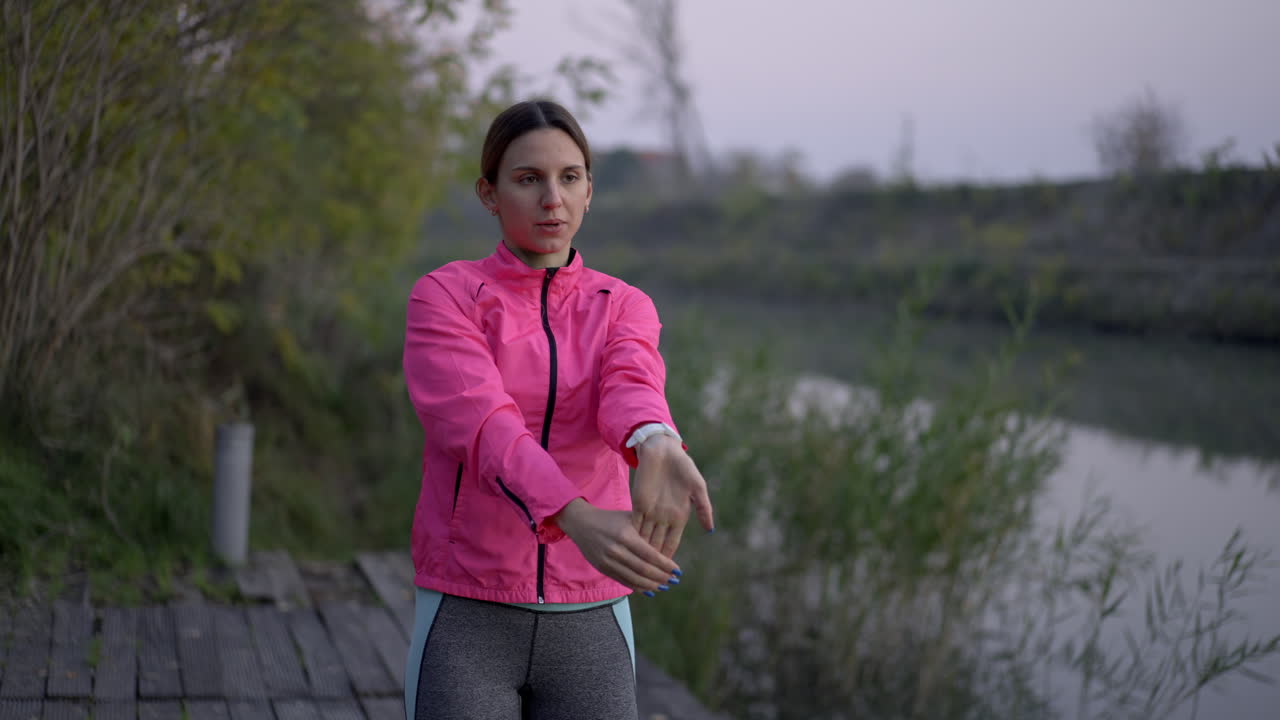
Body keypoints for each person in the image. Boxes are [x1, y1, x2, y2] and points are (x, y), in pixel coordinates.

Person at [401, 99, 715, 719]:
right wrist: (574, 516)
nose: (553, 199)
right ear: (489, 194)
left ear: (590, 191)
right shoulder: (446, 296)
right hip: (469, 606)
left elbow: (631, 382)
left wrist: (656, 439)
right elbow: (484, 426)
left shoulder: (623, 304)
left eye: (570, 178)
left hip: (591, 612)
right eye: (528, 179)